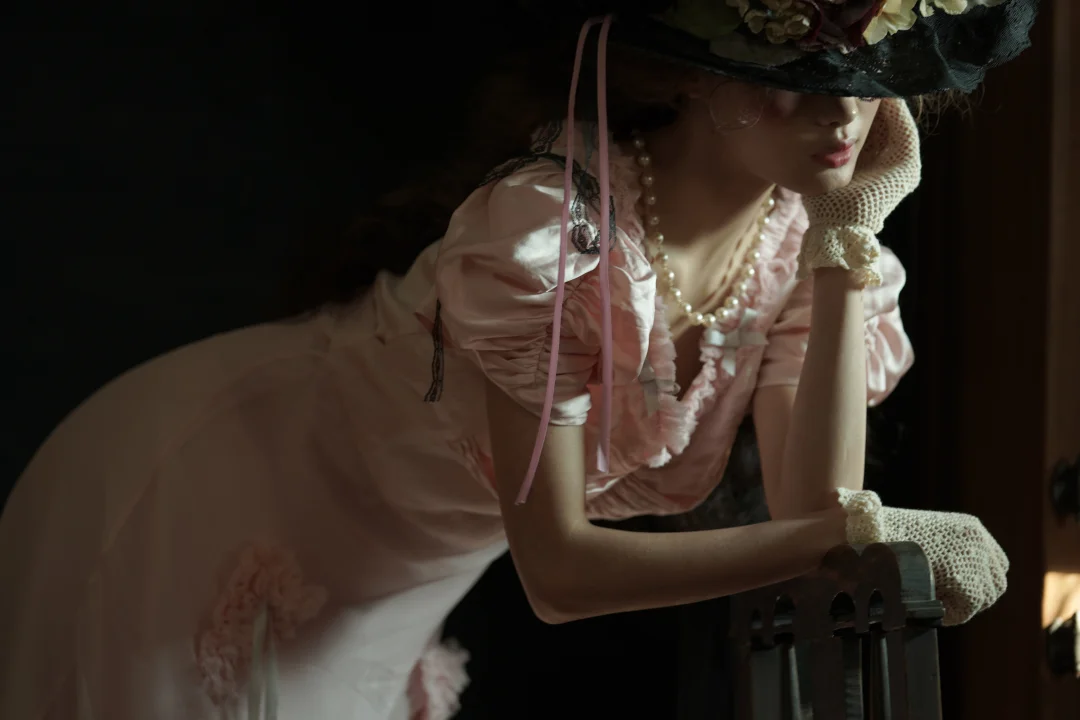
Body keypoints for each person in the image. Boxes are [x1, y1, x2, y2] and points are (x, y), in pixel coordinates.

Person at [0, 1, 1039, 718]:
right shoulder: (551, 232)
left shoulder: (806, 252)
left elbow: (813, 510)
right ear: (691, 75)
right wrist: (858, 532)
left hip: (390, 584)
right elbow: (562, 573)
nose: (842, 114)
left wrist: (850, 235)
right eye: (793, 80)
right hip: (210, 488)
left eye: (871, 78)